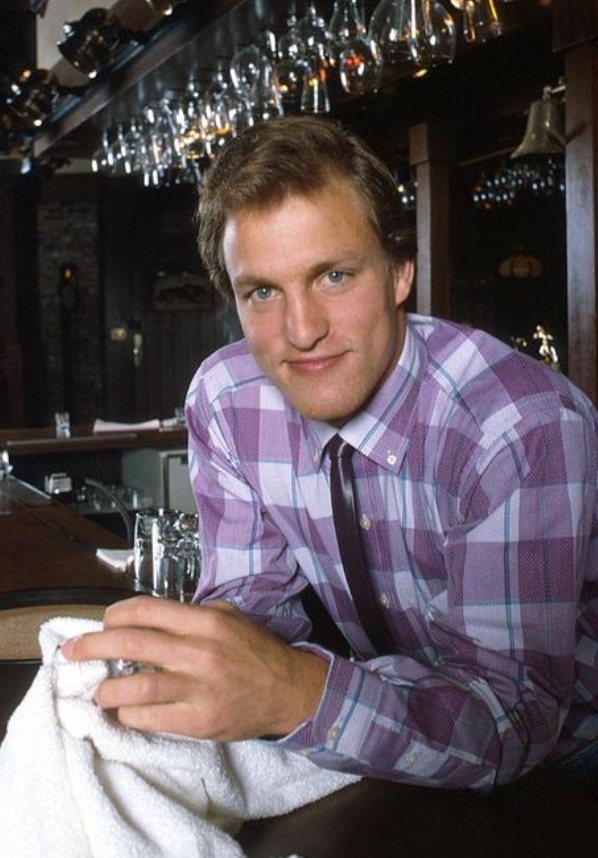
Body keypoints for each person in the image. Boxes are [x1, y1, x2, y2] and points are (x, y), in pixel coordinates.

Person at [62, 115, 598, 793]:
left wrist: (293, 691)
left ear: (400, 272)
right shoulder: (228, 399)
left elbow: (514, 723)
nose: (302, 330)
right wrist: (191, 656)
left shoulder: (516, 426)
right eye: (262, 291)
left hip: (566, 768)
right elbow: (250, 605)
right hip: (391, 746)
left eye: (334, 276)